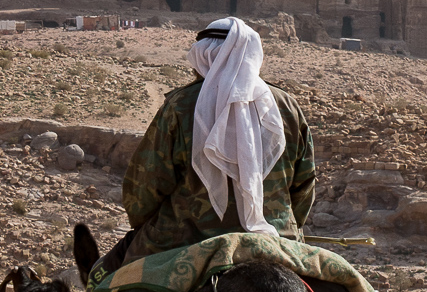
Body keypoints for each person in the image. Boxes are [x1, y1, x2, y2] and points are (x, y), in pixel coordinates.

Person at [121, 17, 315, 258]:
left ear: (202, 56)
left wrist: (140, 222)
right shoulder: (287, 106)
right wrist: (285, 223)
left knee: (108, 281)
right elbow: (304, 184)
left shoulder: (179, 106)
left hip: (183, 244)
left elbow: (146, 185)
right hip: (278, 241)